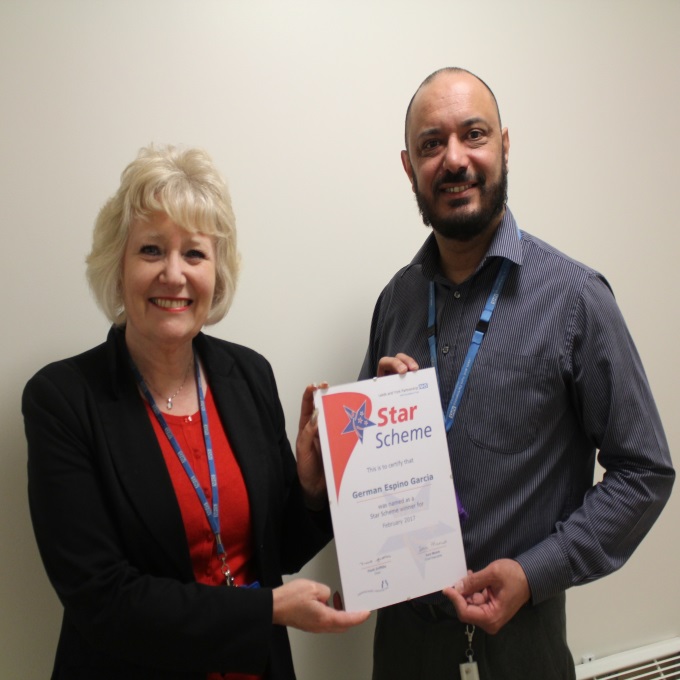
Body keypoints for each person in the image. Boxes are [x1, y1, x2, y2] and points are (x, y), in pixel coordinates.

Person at [359, 67, 674, 679]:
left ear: (504, 145)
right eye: (431, 144)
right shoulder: (395, 301)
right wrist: (362, 437)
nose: (454, 159)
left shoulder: (577, 299)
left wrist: (536, 572)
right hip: (402, 647)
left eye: (473, 134)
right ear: (408, 166)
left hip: (523, 648)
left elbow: (645, 472)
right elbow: (366, 488)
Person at [23, 144, 369, 680]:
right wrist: (268, 610)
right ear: (118, 264)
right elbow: (103, 600)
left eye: (194, 254)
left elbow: (277, 549)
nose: (173, 275)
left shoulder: (249, 375)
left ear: (217, 271)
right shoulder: (64, 400)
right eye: (151, 250)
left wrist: (309, 486)